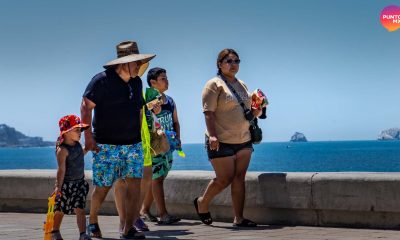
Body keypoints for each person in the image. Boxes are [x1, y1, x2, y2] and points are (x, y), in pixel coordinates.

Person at [81, 41, 155, 239]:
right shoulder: (101, 81)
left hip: (133, 144)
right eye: (135, 63)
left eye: (140, 63)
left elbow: (139, 110)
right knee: (102, 187)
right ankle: (93, 220)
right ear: (123, 63)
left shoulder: (136, 82)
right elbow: (86, 107)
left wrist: (140, 138)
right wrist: (88, 137)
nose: (139, 67)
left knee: (134, 185)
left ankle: (128, 228)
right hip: (105, 145)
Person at [195, 49, 262, 227]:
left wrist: (257, 111)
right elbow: (208, 113)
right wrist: (213, 136)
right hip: (221, 139)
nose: (234, 65)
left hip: (244, 138)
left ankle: (238, 218)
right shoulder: (214, 84)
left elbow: (247, 111)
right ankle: (202, 202)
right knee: (224, 179)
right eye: (229, 61)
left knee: (240, 178)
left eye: (237, 61)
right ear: (219, 64)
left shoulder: (243, 85)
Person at [140, 67, 181, 224]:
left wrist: (178, 138)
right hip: (154, 146)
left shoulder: (170, 100)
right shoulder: (147, 101)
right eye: (163, 78)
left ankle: (144, 210)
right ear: (153, 82)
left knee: (158, 178)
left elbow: (176, 121)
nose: (167, 80)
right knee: (157, 179)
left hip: (168, 145)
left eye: (166, 77)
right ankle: (163, 215)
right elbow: (145, 121)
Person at [51, 115, 91, 240]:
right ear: (66, 132)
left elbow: (79, 155)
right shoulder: (62, 150)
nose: (80, 133)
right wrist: (58, 187)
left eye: (80, 130)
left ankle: (83, 234)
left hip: (79, 183)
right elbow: (61, 170)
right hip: (66, 185)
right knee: (60, 210)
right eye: (77, 130)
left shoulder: (78, 145)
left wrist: (87, 149)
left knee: (80, 209)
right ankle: (55, 231)